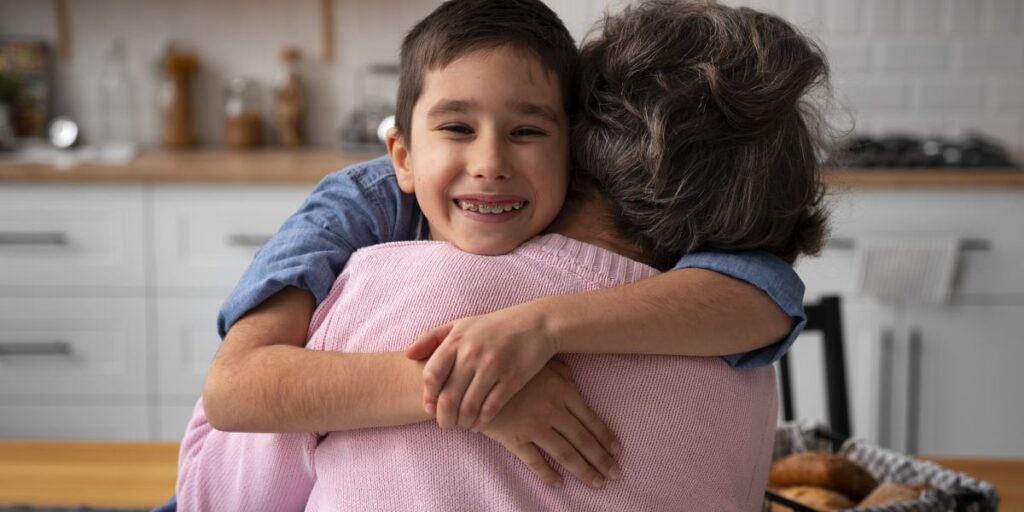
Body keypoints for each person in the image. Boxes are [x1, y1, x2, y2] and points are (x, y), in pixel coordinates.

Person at [174, 0, 830, 510]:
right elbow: (236, 389)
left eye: (526, 131)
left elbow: (768, 296)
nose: (489, 164)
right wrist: (471, 395)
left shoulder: (390, 289)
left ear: (574, 148)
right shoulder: (364, 208)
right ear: (402, 154)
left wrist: (536, 328)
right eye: (457, 128)